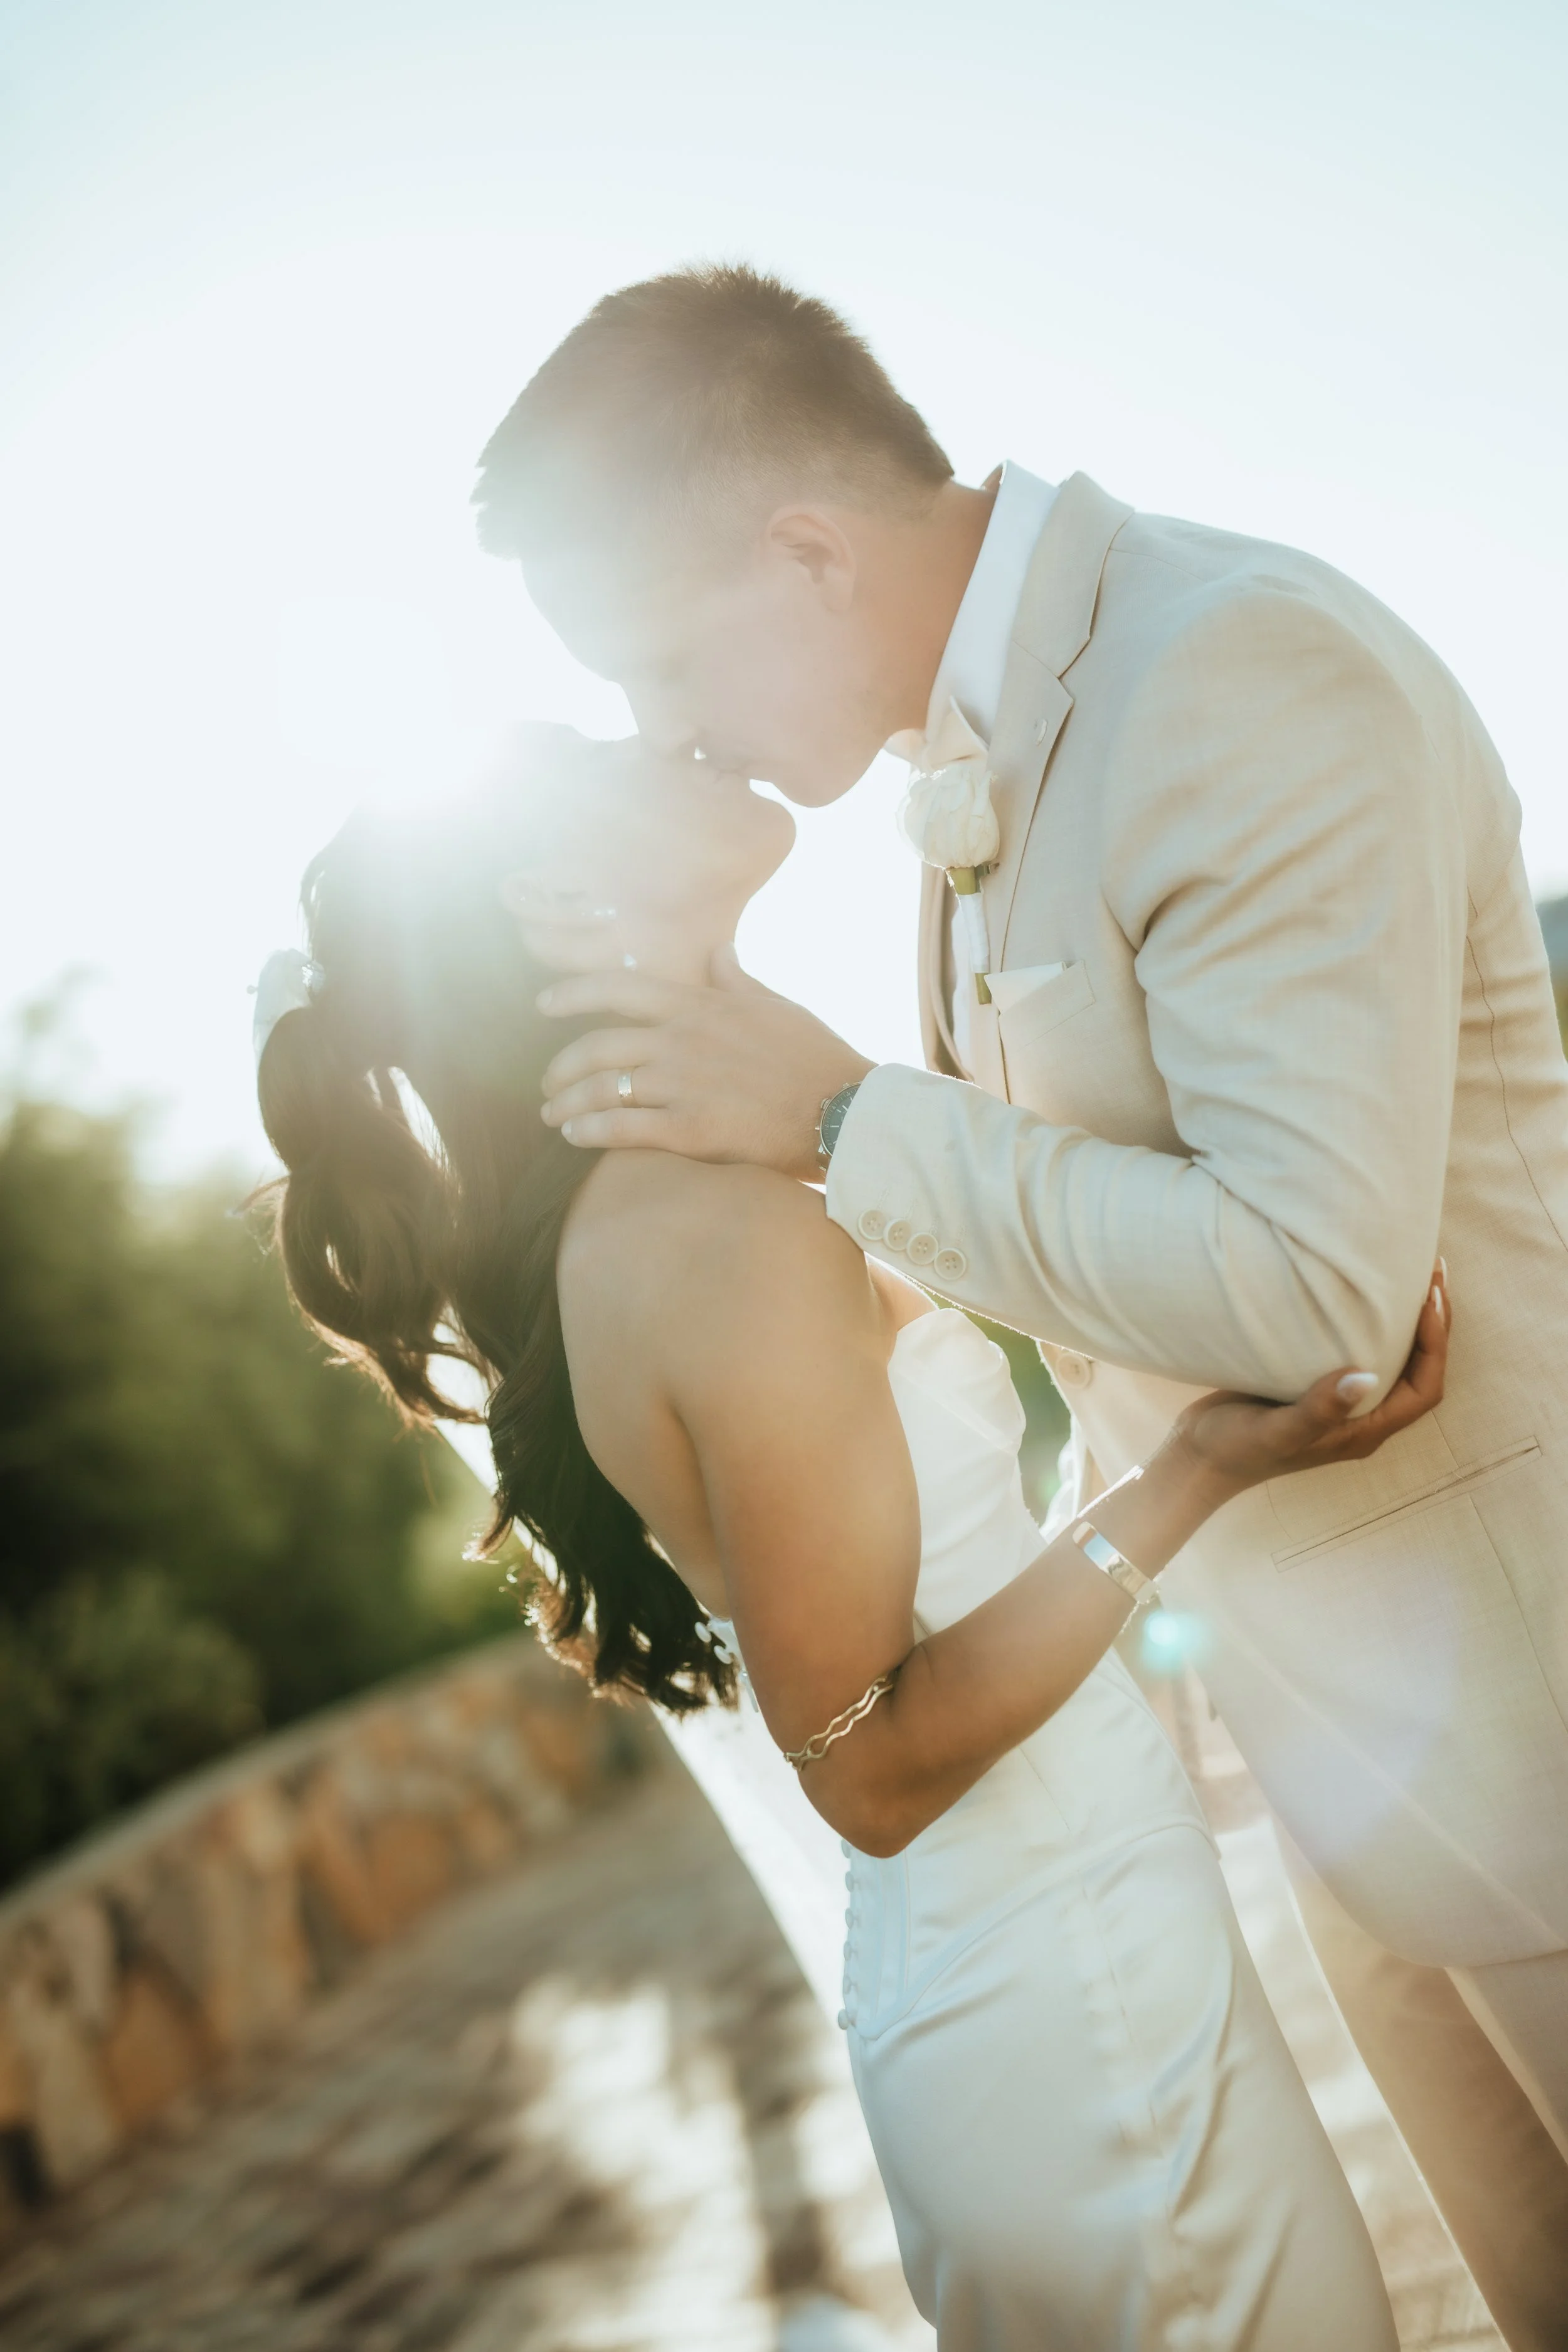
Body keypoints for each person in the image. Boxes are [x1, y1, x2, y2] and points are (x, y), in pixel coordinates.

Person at [466, 265, 1568, 2351]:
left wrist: (833, 1114)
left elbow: (1311, 1291)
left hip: (1539, 1749)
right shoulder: (975, 780)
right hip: (1361, 1782)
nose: (663, 732)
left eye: (659, 664)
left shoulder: (1232, 672)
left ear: (803, 548)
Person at [253, 738, 1447, 2346]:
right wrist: (1193, 1473)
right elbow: (863, 1766)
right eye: (605, 754)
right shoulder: (704, 1231)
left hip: (1069, 1952)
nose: (664, 736)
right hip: (1065, 2009)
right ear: (558, 904)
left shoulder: (706, 1178)